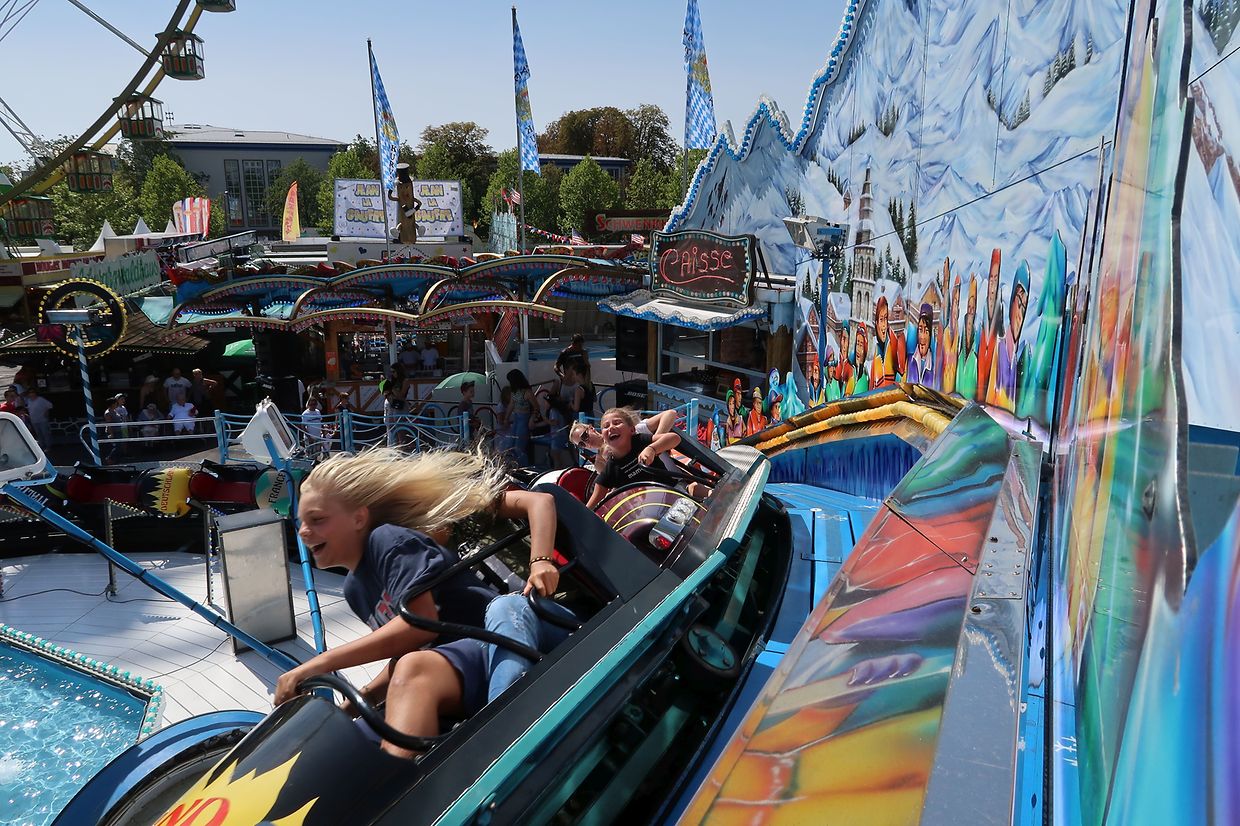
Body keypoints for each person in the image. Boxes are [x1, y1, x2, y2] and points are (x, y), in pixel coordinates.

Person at [273, 448, 561, 758]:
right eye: (300, 522)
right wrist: (359, 702)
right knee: (347, 740)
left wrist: (315, 665)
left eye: (317, 520)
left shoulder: (388, 539)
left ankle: (499, 744)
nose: (303, 532)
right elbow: (405, 647)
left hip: (492, 642)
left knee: (414, 671)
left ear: (359, 517)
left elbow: (419, 626)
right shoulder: (355, 589)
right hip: (450, 665)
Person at [585, 408, 685, 509]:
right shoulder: (610, 469)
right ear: (604, 438)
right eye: (606, 426)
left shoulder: (639, 441)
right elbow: (592, 503)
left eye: (617, 423)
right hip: (648, 510)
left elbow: (675, 438)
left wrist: (652, 449)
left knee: (692, 490)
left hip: (672, 494)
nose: (611, 428)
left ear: (632, 430)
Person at [504, 370, 542, 468]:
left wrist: (532, 418)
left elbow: (536, 407)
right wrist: (506, 418)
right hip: (516, 419)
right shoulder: (514, 392)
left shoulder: (527, 392)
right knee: (510, 446)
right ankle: (513, 466)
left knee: (519, 447)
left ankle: (524, 467)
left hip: (524, 420)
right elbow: (511, 405)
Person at [869, 295, 906, 389]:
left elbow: (901, 373)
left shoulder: (893, 343)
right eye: (881, 320)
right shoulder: (876, 351)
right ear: (876, 323)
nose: (884, 325)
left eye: (886, 319)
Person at [388, 163, 422, 245]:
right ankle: (397, 232)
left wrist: (414, 209)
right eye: (401, 187)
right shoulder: (400, 199)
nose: (404, 191)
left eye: (407, 187)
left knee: (411, 224)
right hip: (404, 220)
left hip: (411, 221)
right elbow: (390, 197)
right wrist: (391, 188)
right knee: (402, 224)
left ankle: (419, 229)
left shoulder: (411, 198)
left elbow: (419, 203)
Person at [907, 303, 937, 386]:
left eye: (926, 331)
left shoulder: (934, 366)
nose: (922, 337)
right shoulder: (909, 360)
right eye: (920, 330)